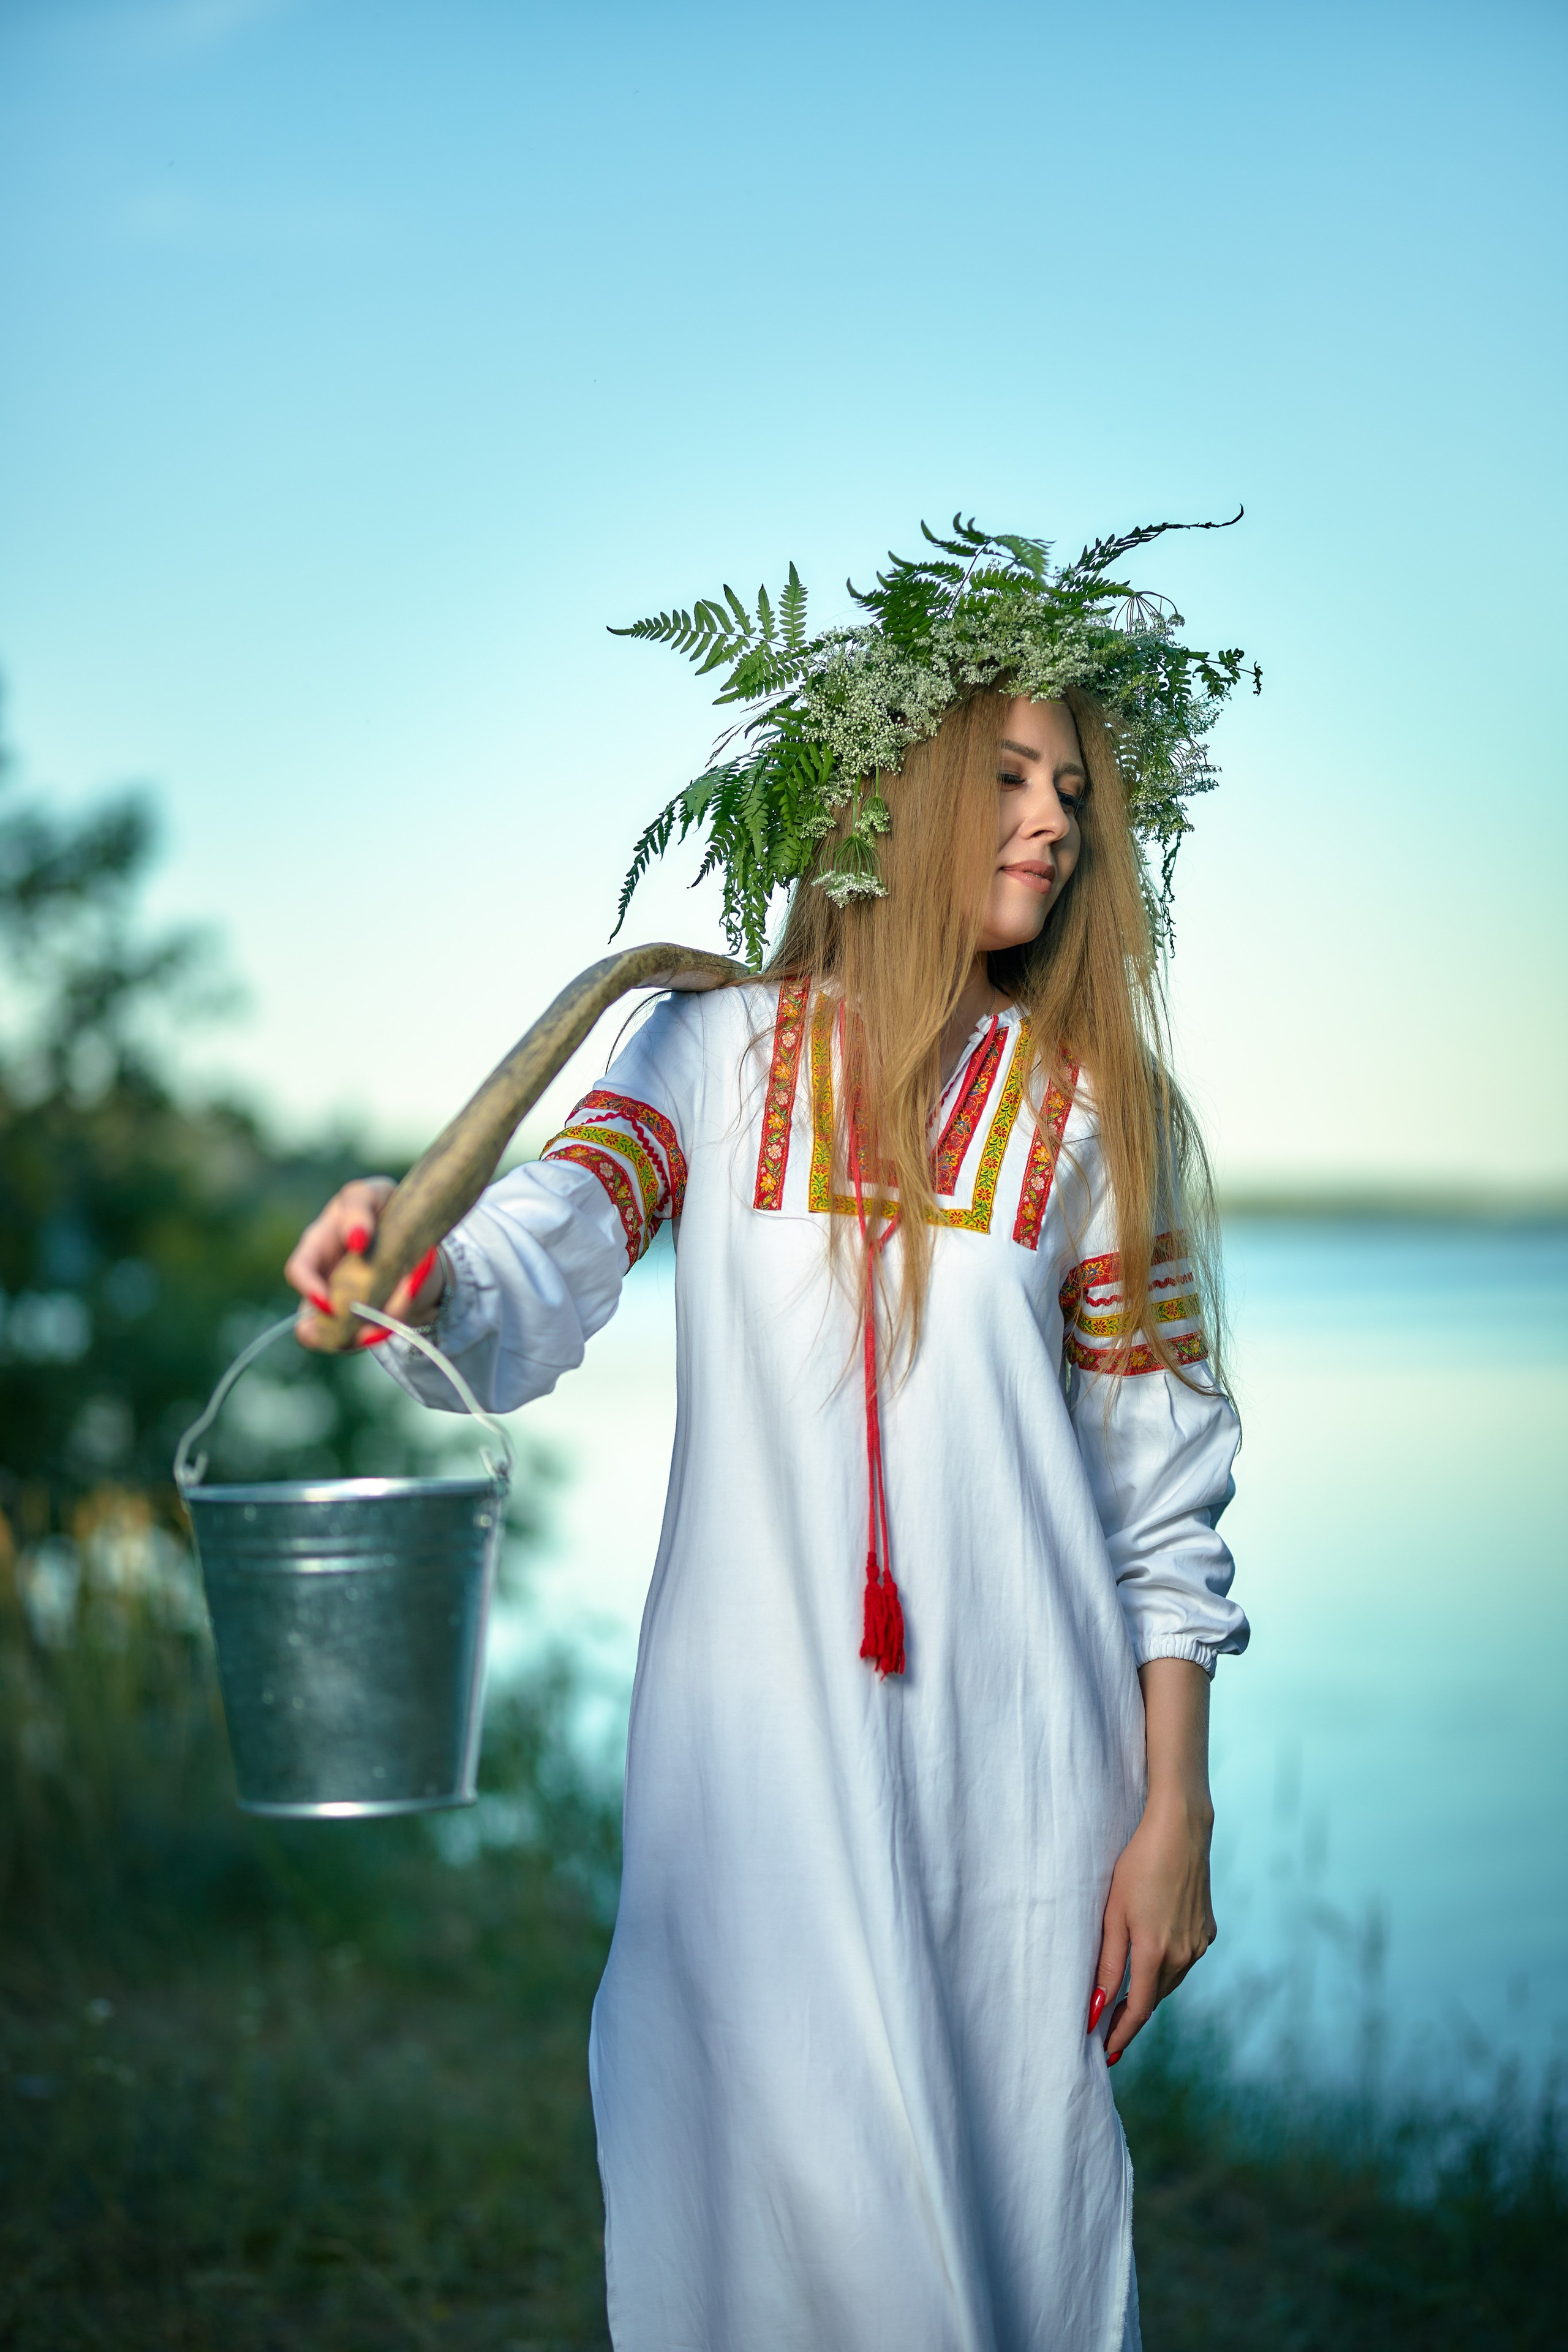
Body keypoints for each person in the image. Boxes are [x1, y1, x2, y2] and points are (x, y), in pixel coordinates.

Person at [286, 518, 1251, 2351]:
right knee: (744, 2234)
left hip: (1017, 1790)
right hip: (747, 1780)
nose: (1056, 821)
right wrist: (401, 1272)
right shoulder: (703, 1060)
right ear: (882, 798)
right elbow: (536, 1261)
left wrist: (1175, 1807)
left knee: (1004, 2253)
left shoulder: (1090, 1123)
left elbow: (1161, 1495)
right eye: (1009, 778)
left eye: (1076, 790)